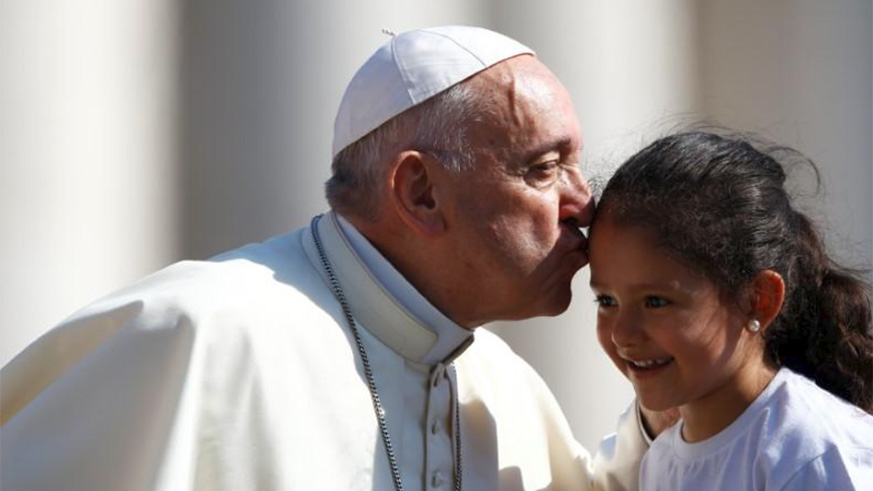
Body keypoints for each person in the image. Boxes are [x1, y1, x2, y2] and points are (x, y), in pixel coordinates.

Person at [1, 26, 663, 490]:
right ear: (421, 193)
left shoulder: (500, 383)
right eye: (544, 168)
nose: (584, 202)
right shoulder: (198, 331)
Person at [588, 131, 873, 490]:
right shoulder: (659, 463)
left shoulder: (814, 455)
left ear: (759, 299)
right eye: (606, 301)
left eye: (656, 301)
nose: (622, 334)